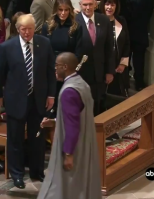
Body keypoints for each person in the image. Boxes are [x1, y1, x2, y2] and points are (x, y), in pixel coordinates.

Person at [0, 14, 56, 189]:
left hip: (39, 99)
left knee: (38, 138)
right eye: (23, 29)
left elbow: (50, 71)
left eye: (30, 29)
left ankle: (37, 171)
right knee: (15, 140)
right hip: (16, 100)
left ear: (34, 27)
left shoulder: (44, 43)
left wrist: (51, 95)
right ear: (17, 28)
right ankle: (17, 174)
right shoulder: (7, 47)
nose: (27, 32)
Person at [37, 52, 102, 199]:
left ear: (65, 67)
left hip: (73, 147)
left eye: (56, 66)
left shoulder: (69, 91)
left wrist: (68, 154)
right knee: (79, 185)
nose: (55, 69)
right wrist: (54, 122)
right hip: (84, 143)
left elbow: (72, 125)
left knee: (61, 187)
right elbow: (77, 116)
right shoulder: (81, 84)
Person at [42, 0, 82, 118]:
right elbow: (45, 51)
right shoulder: (47, 26)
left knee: (67, 107)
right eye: (60, 10)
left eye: (66, 10)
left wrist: (66, 71)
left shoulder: (76, 27)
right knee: (50, 107)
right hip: (51, 70)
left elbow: (78, 52)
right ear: (55, 10)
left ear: (70, 10)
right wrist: (53, 70)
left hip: (68, 70)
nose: (63, 13)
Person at [76, 0, 115, 116]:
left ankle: (97, 133)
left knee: (98, 107)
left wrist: (110, 71)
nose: (88, 8)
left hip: (99, 73)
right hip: (80, 73)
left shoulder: (104, 20)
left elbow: (109, 47)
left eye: (90, 4)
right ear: (80, 5)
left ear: (96, 5)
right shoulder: (74, 21)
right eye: (85, 5)